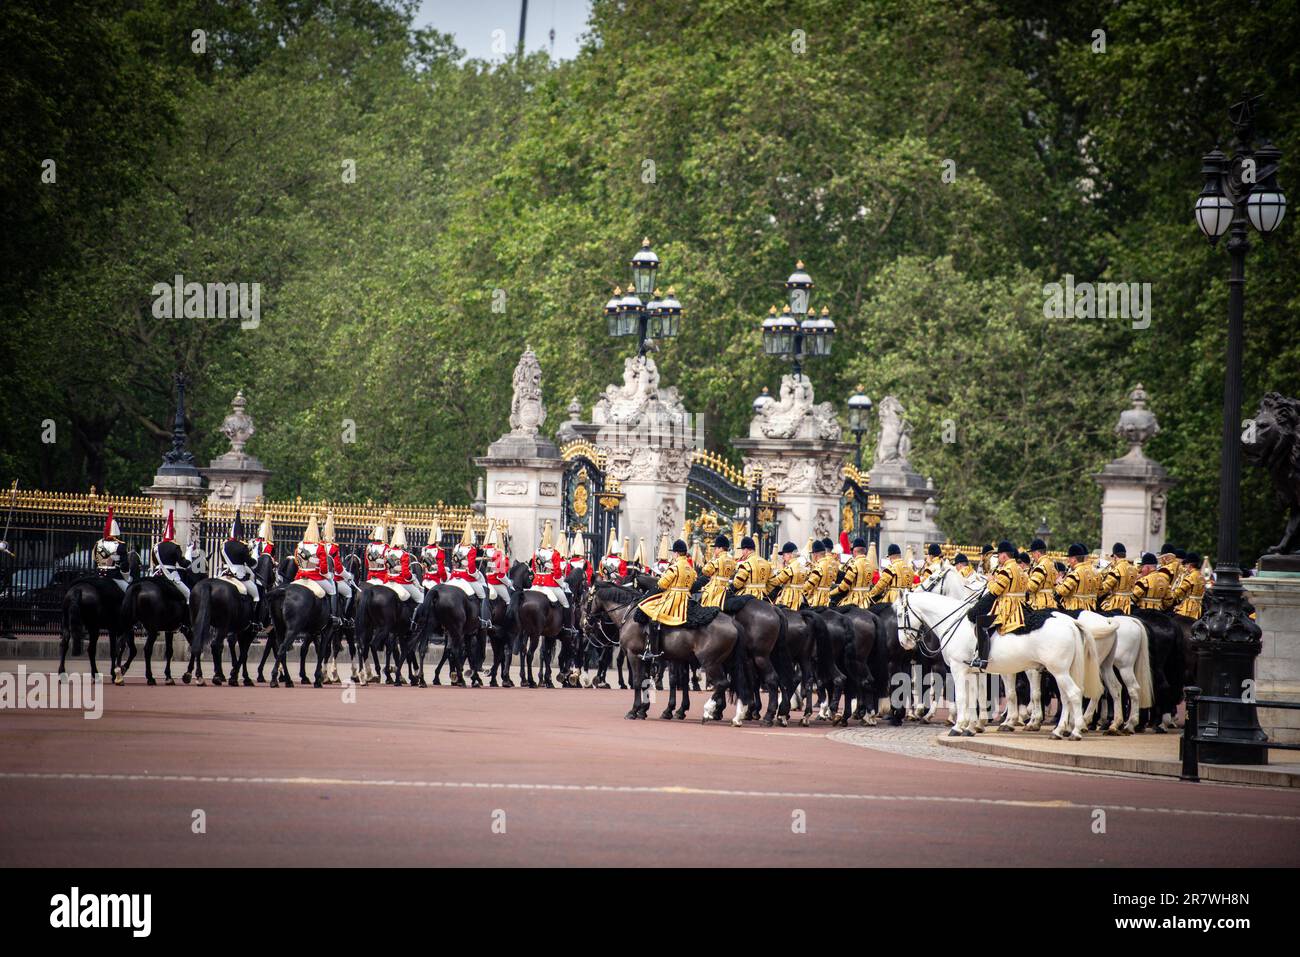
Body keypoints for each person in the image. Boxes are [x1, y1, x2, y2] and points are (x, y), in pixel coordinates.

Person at [965, 541, 1027, 670]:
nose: (998, 558)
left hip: (1007, 607)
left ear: (1004, 556)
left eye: (999, 556)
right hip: (1021, 606)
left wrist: (990, 581)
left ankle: (983, 659)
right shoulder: (1021, 570)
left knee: (981, 623)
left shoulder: (1007, 570)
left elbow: (995, 591)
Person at [635, 539, 697, 661]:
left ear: (677, 553)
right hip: (687, 598)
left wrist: (649, 595)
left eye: (673, 553)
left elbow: (662, 584)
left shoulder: (675, 567)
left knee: (653, 616)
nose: (673, 555)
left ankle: (653, 651)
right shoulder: (690, 568)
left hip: (674, 598)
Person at [293, 513, 335, 618]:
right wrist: (327, 575)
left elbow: (296, 561)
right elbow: (323, 567)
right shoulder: (319, 547)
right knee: (332, 590)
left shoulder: (299, 545)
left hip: (300, 576)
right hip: (315, 577)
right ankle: (332, 616)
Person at [451, 524, 491, 629]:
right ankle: (483, 620)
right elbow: (472, 568)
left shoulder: (457, 547)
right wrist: (477, 575)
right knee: (483, 595)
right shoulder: (471, 549)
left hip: (454, 576)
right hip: (466, 577)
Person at [218, 509, 259, 604]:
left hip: (225, 571)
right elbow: (251, 563)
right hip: (239, 574)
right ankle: (253, 617)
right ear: (241, 534)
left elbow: (223, 560)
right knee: (256, 595)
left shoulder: (223, 545)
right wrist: (255, 560)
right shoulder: (243, 546)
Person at [152, 508, 190, 600]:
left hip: (156, 574)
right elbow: (182, 563)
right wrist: (189, 560)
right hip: (171, 575)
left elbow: (154, 562)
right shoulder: (175, 546)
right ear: (173, 534)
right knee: (188, 594)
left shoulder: (155, 546)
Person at [1053, 542, 1100, 612]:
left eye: (1069, 558)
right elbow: (1101, 590)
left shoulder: (1075, 574)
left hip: (1075, 610)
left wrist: (1057, 584)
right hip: (1091, 608)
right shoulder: (1095, 572)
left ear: (1074, 559)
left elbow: (1062, 591)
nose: (1068, 561)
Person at [832, 537, 874, 607]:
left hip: (854, 600)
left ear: (854, 551)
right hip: (867, 600)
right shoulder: (870, 565)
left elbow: (843, 587)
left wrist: (830, 593)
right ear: (865, 551)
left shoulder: (853, 565)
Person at [1098, 542, 1137, 614]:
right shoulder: (1133, 569)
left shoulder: (1116, 570)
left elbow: (1105, 588)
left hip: (1117, 603)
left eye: (1113, 557)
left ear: (1115, 556)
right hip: (1129, 602)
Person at [699, 534, 735, 608]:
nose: (714, 550)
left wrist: (712, 559)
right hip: (727, 588)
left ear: (720, 548)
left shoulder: (717, 560)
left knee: (704, 600)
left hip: (715, 589)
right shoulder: (732, 561)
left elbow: (705, 571)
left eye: (715, 548)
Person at [768, 541, 808, 609]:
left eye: (784, 555)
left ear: (790, 555)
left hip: (789, 598)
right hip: (801, 598)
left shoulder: (790, 567)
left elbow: (776, 582)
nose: (783, 558)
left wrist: (769, 575)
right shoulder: (802, 566)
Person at [803, 539, 837, 608]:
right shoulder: (830, 566)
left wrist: (799, 588)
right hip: (828, 598)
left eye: (812, 554)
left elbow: (809, 585)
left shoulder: (819, 567)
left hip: (817, 600)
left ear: (815, 554)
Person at [1173, 552, 1207, 620]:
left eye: (1186, 564)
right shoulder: (1201, 576)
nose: (1185, 566)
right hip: (1199, 607)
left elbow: (1179, 592)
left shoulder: (1190, 577)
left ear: (1190, 565)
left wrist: (1169, 594)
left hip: (1189, 608)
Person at [1025, 539, 1056, 610]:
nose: (1032, 557)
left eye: (1032, 554)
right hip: (1051, 601)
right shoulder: (1051, 564)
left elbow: (1031, 587)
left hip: (1040, 604)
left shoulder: (1041, 567)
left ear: (1037, 553)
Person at [420, 521, 448, 587]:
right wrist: (444, 578)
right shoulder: (439, 550)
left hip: (425, 578)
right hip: (436, 579)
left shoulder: (424, 549)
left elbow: (422, 565)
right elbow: (441, 569)